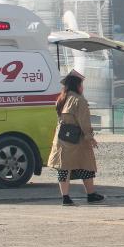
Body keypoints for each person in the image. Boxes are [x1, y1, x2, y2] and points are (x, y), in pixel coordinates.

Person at [49, 71, 103, 205]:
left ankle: (65, 197)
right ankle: (90, 194)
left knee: (63, 168)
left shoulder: (61, 99)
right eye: (81, 84)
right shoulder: (79, 100)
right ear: (77, 85)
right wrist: (90, 137)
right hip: (78, 139)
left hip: (62, 138)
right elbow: (84, 122)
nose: (82, 87)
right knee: (85, 165)